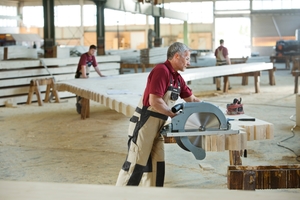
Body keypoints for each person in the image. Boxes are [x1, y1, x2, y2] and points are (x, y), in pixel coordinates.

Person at [116, 42, 201, 187]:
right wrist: (174, 116)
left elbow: (192, 100)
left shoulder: (177, 78)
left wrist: (211, 111)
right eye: (187, 59)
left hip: (158, 127)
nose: (189, 62)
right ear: (176, 56)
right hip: (144, 124)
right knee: (136, 165)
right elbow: (154, 101)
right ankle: (120, 196)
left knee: (156, 167)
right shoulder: (162, 70)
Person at [75, 44, 105, 114]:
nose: (93, 52)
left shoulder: (93, 57)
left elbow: (96, 67)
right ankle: (79, 106)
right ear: (89, 49)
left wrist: (100, 74)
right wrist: (84, 76)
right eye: (92, 50)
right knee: (80, 93)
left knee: (85, 92)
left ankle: (84, 108)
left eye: (94, 51)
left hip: (86, 76)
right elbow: (83, 67)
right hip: (80, 76)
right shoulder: (84, 56)